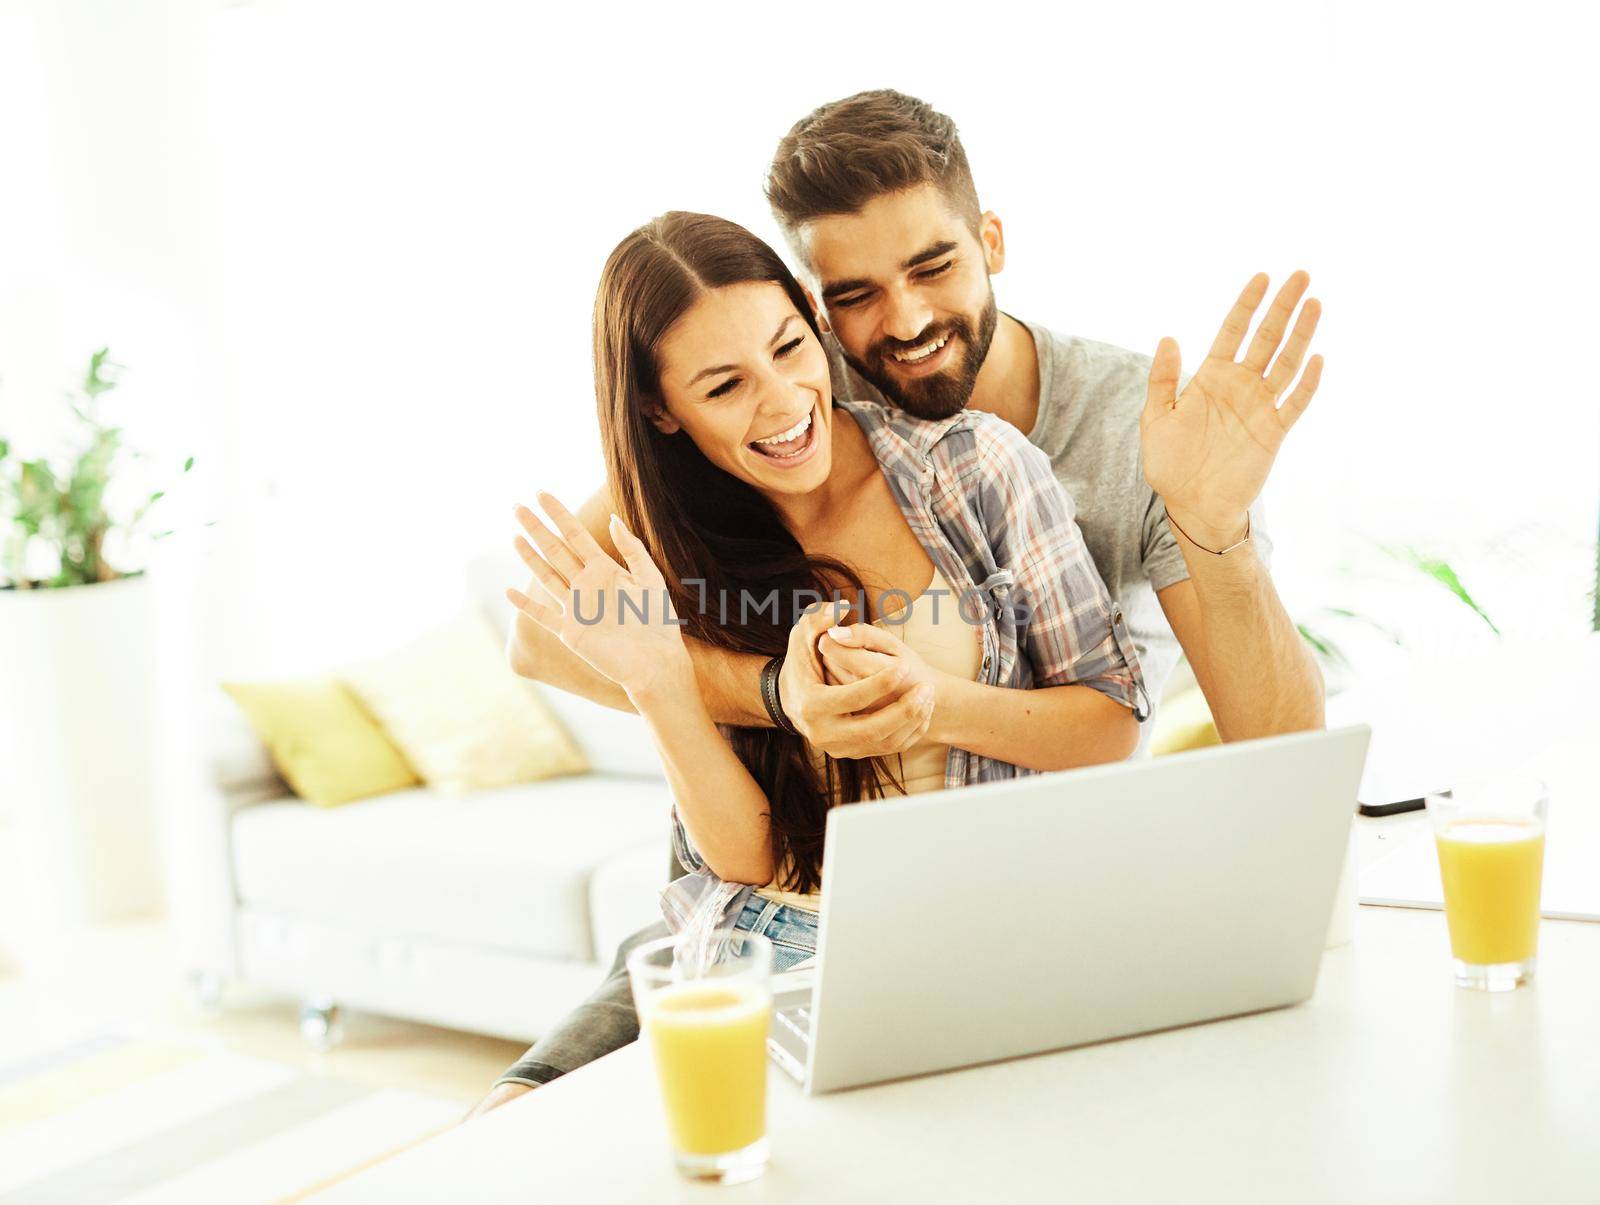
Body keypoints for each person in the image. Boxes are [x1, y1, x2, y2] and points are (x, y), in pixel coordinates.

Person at [476, 89, 1330, 1114]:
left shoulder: (1085, 436)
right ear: (812, 299)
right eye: (853, 296)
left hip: (983, 909)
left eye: (934, 267)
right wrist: (776, 695)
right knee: (505, 1133)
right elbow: (554, 629)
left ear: (992, 241)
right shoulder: (787, 371)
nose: (907, 321)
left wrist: (1211, 525)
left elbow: (1268, 751)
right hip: (738, 907)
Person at [466, 210, 1143, 1118]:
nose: (784, 403)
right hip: (769, 944)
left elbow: (1110, 720)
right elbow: (745, 857)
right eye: (725, 386)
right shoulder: (668, 535)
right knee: (507, 1133)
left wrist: (929, 704)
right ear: (661, 411)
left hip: (972, 929)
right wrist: (687, 684)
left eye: (791, 348)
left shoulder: (976, 470)